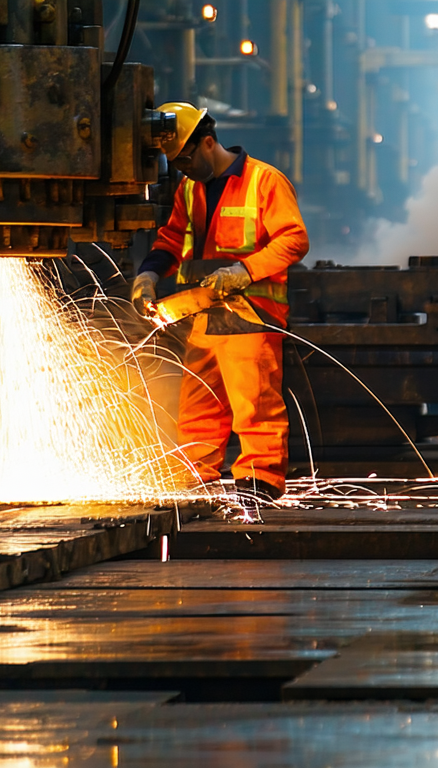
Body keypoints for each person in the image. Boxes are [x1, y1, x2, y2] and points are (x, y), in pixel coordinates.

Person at [131, 102, 310, 503]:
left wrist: (244, 271)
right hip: (204, 313)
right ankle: (195, 484)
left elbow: (294, 239)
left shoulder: (265, 181)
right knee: (198, 407)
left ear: (208, 143)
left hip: (251, 314)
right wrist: (148, 274)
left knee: (254, 403)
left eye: (185, 160)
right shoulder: (190, 188)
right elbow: (172, 239)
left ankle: (258, 484)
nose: (182, 170)